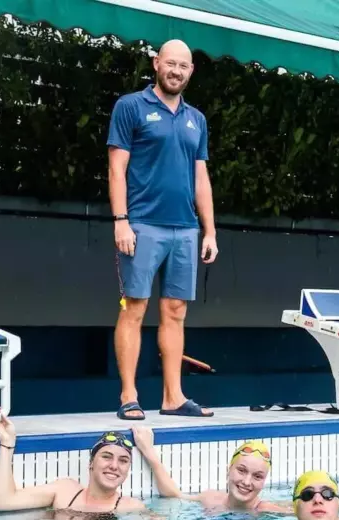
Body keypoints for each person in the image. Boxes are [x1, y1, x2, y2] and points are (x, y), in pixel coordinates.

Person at [107, 38, 218, 421]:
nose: (176, 71)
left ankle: (173, 397)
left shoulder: (196, 119)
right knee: (134, 307)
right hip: (141, 224)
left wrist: (210, 230)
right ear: (156, 63)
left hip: (185, 228)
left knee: (175, 310)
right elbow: (116, 168)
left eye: (183, 66)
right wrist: (121, 220)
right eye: (170, 63)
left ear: (191, 71)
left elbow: (201, 177)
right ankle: (129, 396)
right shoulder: (130, 106)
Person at [0, 414, 146, 517]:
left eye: (123, 461)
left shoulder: (130, 507)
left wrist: (149, 453)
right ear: (91, 463)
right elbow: (3, 501)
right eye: (106, 457)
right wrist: (7, 443)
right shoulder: (65, 491)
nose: (114, 466)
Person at [141, 437, 289, 513]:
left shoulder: (265, 510)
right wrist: (148, 450)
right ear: (228, 470)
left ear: (264, 481)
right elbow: (175, 495)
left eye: (257, 476)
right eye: (241, 470)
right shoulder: (211, 498)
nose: (246, 482)